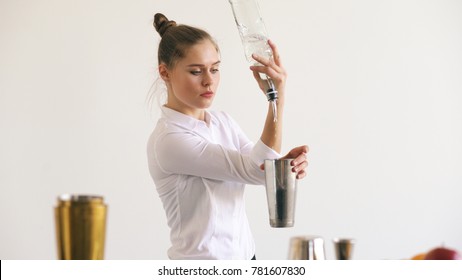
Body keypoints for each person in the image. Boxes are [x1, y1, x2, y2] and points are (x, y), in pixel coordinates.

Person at [147, 13, 309, 260]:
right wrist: (277, 97)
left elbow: (260, 168)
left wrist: (282, 166)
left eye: (215, 69)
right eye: (196, 71)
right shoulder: (169, 140)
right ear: (165, 73)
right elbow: (254, 169)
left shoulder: (222, 122)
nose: (209, 81)